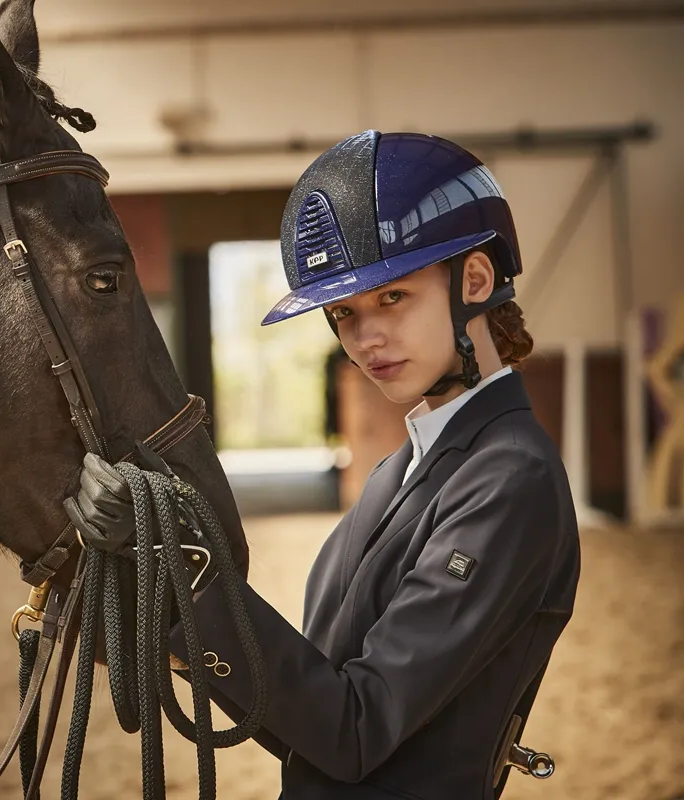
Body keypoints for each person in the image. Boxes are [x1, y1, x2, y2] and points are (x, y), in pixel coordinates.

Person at [66, 130, 582, 799]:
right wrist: (156, 592)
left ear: (475, 280)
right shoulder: (401, 470)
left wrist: (183, 568)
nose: (365, 338)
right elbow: (308, 726)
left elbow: (354, 730)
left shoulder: (510, 480)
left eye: (392, 297)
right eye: (343, 312)